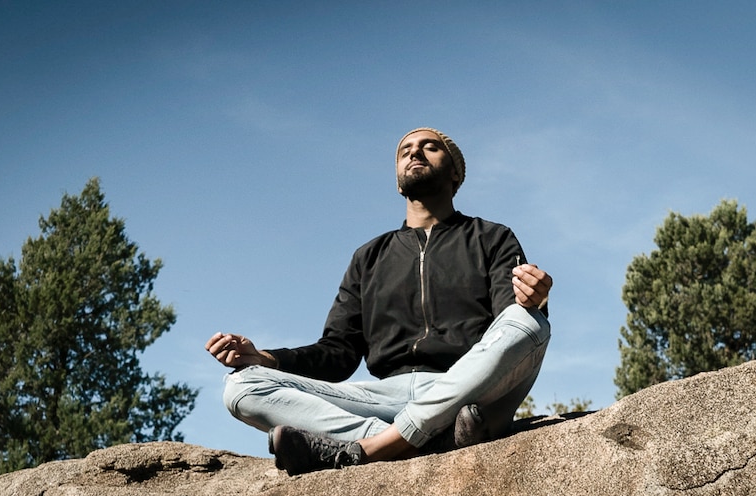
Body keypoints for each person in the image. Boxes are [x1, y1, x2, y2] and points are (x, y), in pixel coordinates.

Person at [205, 127, 552, 476]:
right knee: (242, 385)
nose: (415, 153)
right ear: (399, 183)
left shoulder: (492, 237)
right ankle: (418, 441)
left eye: (429, 147)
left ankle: (369, 449)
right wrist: (267, 359)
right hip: (384, 400)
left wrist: (534, 298)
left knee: (529, 322)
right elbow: (338, 352)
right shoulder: (368, 257)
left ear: (456, 173)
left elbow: (512, 322)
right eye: (405, 151)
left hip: (469, 393)